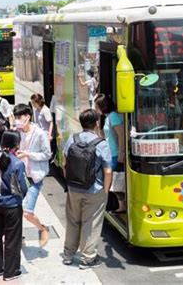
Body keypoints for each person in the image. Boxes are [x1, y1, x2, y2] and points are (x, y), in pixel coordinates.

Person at [62, 109, 112, 269]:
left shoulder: (72, 139)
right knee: (91, 223)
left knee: (73, 221)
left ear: (81, 122)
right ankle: (87, 259)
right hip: (94, 190)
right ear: (97, 123)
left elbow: (65, 163)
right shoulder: (101, 143)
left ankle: (68, 255)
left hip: (73, 188)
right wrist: (105, 190)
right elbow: (108, 170)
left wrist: (69, 183)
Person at [0, 130, 28, 281]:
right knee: (12, 239)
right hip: (12, 206)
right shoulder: (18, 164)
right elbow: (23, 187)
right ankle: (11, 271)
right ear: (16, 144)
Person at [13, 104, 51, 247]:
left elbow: (47, 154)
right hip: (20, 175)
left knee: (27, 212)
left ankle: (42, 228)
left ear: (28, 117)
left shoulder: (39, 133)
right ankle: (19, 237)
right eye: (16, 117)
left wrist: (28, 154)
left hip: (34, 176)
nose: (17, 120)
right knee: (15, 209)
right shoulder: (17, 132)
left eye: (19, 117)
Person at [95, 94, 124, 170]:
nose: (96, 110)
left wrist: (120, 154)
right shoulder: (107, 117)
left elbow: (121, 134)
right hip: (110, 153)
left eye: (97, 107)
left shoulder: (113, 116)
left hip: (115, 154)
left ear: (103, 106)